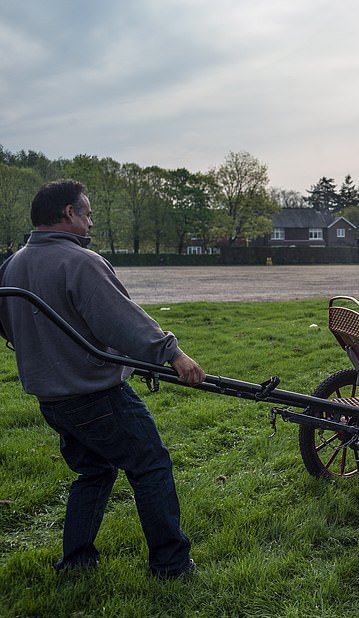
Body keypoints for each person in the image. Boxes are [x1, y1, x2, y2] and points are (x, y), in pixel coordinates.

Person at [0, 180, 206, 578]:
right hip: (94, 394)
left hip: (52, 400)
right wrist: (173, 354)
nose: (90, 221)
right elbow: (123, 320)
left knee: (94, 471)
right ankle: (171, 565)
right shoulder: (80, 262)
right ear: (68, 214)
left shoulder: (12, 266)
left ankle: (76, 562)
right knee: (151, 466)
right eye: (88, 213)